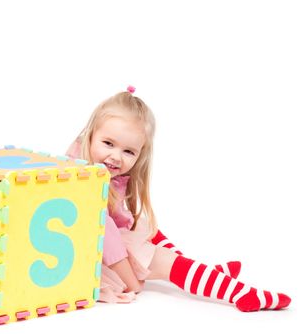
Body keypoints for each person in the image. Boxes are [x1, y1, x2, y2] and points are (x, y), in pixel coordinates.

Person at [65, 86, 291, 311]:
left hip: (106, 242)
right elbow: (108, 238)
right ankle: (241, 293)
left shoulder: (84, 158)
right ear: (90, 134)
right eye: (109, 144)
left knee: (149, 231)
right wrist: (131, 283)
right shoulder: (87, 188)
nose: (116, 157)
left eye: (129, 152)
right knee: (169, 263)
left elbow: (116, 225)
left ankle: (201, 271)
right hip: (100, 253)